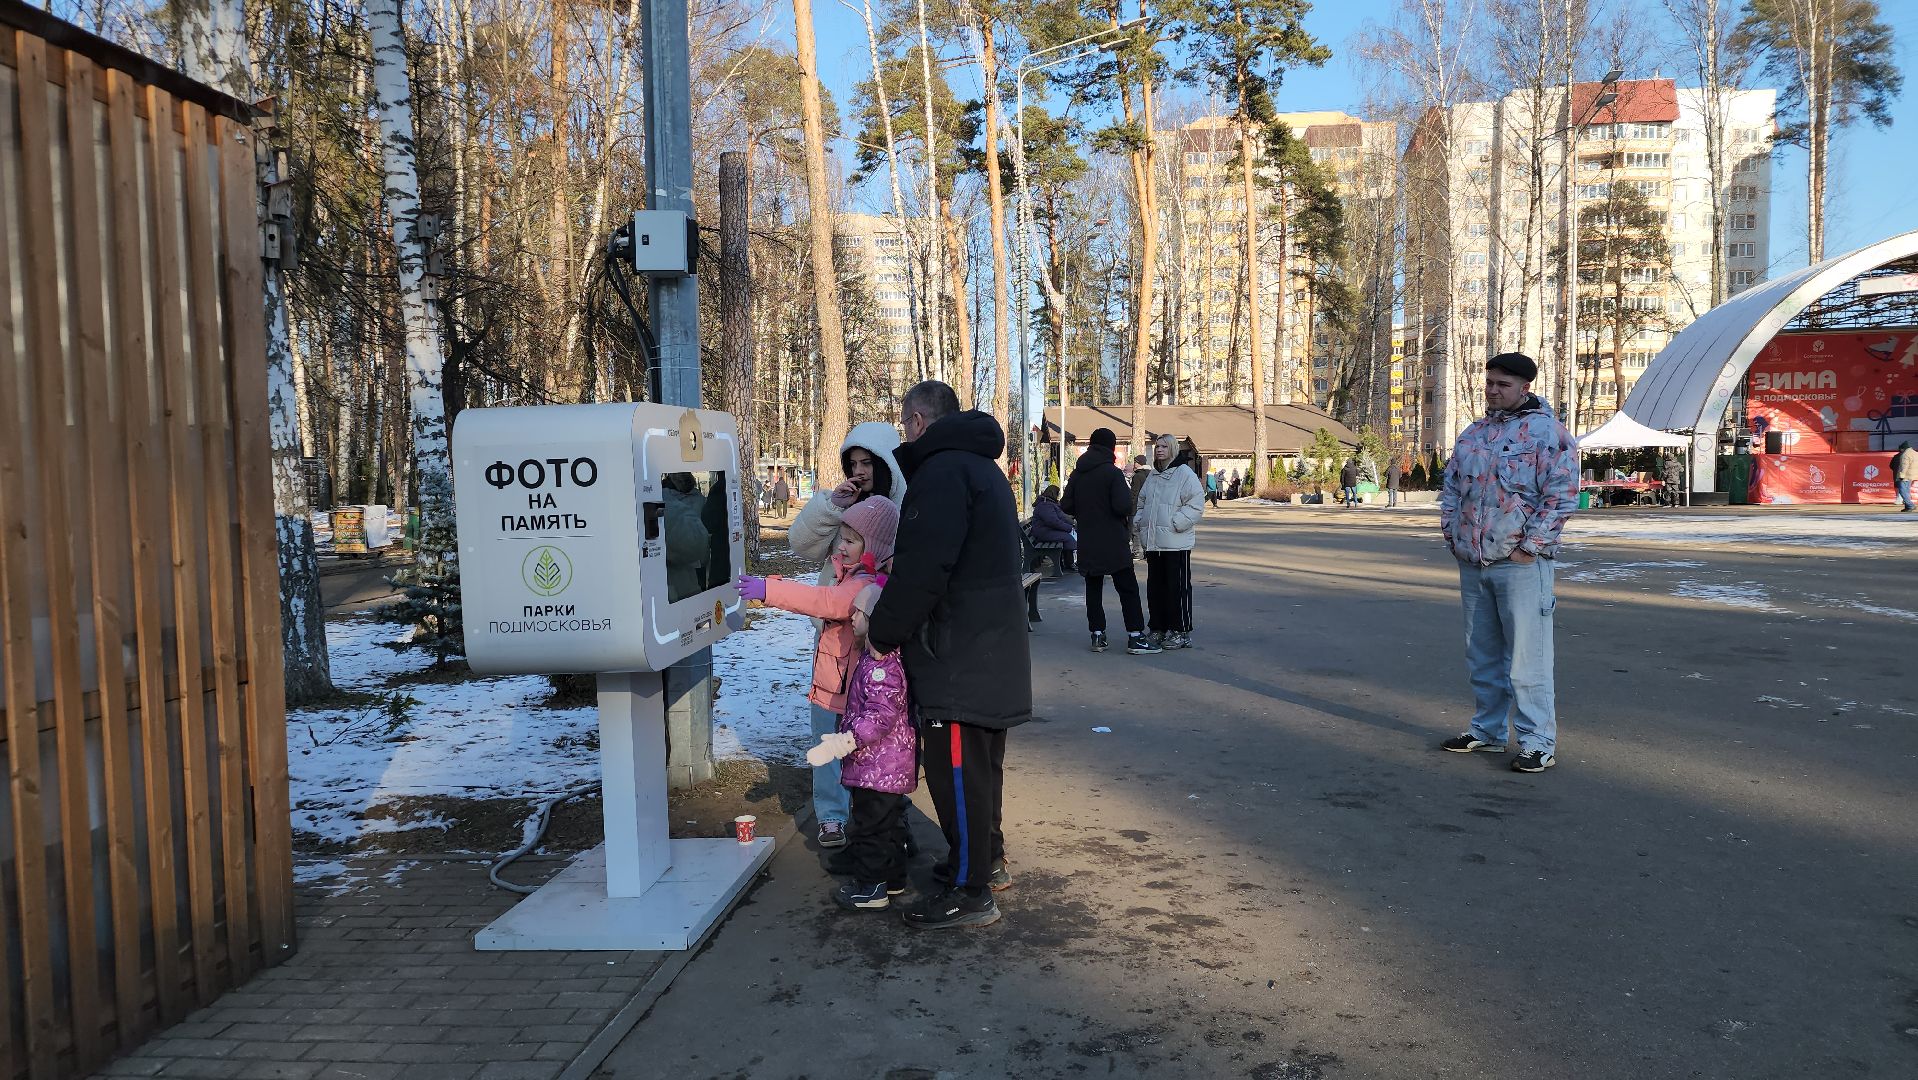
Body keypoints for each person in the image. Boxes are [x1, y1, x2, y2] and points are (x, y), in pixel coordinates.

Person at [867, 381, 1030, 929]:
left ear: (917, 421)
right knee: (981, 769)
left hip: (957, 652)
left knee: (957, 771)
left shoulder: (941, 473)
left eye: (903, 423)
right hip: (989, 645)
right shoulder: (981, 467)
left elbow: (923, 569)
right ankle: (983, 860)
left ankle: (970, 889)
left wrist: (884, 632)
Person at [1438, 352, 1578, 774]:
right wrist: (1452, 533)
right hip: (1473, 561)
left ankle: (1537, 742)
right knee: (1481, 655)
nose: (1493, 390)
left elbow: (1561, 496)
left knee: (1526, 659)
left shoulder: (1548, 434)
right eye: (1490, 382)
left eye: (1503, 384)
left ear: (1525, 387)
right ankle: (1488, 730)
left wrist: (1528, 548)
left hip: (1520, 565)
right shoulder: (1473, 434)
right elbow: (1451, 488)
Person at [785, 424, 906, 848]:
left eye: (867, 463)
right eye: (852, 463)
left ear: (887, 464)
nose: (859, 471)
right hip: (833, 642)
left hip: (880, 645)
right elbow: (800, 544)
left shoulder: (903, 508)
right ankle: (832, 816)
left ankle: (884, 817)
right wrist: (831, 507)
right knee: (827, 726)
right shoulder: (843, 508)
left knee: (877, 733)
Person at [805, 581, 917, 912]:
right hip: (883, 767)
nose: (851, 619)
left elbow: (880, 716)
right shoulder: (874, 658)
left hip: (878, 766)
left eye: (859, 614)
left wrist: (847, 740)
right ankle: (892, 877)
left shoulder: (882, 667)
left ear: (875, 620)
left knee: (871, 827)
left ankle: (871, 887)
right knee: (887, 824)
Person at [1060, 427, 1151, 655]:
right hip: (1113, 540)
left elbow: (1066, 505)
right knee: (1127, 588)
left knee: (1093, 589)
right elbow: (1123, 506)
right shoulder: (1112, 473)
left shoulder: (1078, 473)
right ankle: (1135, 636)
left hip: (1088, 540)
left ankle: (1097, 635)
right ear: (1110, 447)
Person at [1133, 433, 1205, 651]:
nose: (1159, 450)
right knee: (1155, 589)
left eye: (1164, 446)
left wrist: (1177, 523)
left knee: (1177, 589)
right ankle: (1158, 627)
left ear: (1173, 448)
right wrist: (1140, 521)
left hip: (1176, 543)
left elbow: (1196, 503)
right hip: (1154, 543)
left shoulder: (1184, 473)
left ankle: (1181, 631)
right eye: (1157, 446)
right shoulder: (1154, 475)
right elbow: (1142, 502)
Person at [1028, 484, 1077, 571]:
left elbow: (1061, 517)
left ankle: (1068, 563)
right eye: (1058, 494)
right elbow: (1052, 521)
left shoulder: (1048, 503)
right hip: (1043, 533)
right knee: (1068, 538)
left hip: (1045, 531)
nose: (1058, 496)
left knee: (1068, 536)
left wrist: (1071, 523)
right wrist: (1068, 528)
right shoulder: (1045, 505)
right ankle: (1069, 564)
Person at [1891, 440, 1917, 512]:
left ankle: (1910, 505)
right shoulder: (1915, 453)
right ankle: (1907, 506)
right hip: (1911, 475)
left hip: (1905, 475)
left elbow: (1904, 466)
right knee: (1907, 491)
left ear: (1903, 448)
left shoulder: (1905, 455)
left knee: (1902, 490)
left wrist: (1901, 475)